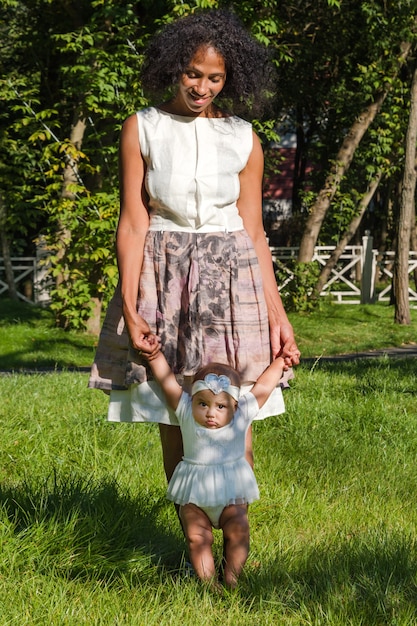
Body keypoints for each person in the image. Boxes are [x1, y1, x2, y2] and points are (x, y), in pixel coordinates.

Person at [88, 9, 300, 484]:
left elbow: (255, 233)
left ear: (230, 79)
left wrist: (279, 316)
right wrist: (128, 304)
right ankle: (192, 542)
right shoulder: (142, 128)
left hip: (233, 277)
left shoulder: (244, 137)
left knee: (236, 406)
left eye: (215, 78)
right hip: (163, 276)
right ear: (174, 69)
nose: (202, 88)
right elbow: (133, 221)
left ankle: (234, 548)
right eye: (193, 74)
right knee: (174, 413)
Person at [142, 333, 286, 588]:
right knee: (197, 538)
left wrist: (280, 363)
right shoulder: (185, 410)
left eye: (220, 406)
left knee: (238, 530)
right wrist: (154, 356)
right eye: (203, 404)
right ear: (193, 400)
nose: (210, 413)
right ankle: (209, 584)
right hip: (195, 494)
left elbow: (263, 387)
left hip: (231, 493)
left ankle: (232, 578)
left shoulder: (242, 414)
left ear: (234, 404)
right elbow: (167, 383)